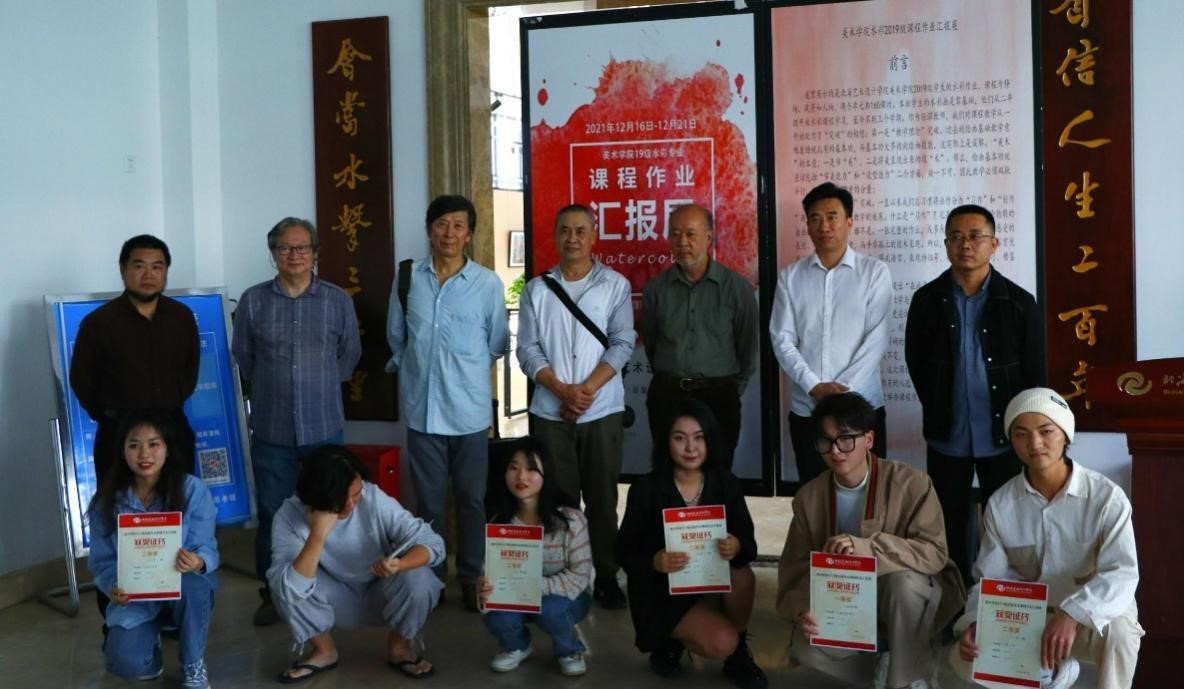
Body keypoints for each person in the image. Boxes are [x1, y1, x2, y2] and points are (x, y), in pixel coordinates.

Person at [951, 388, 1143, 689]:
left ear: (1065, 435)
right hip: (1030, 621)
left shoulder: (1106, 498)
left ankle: (1061, 669)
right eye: (1021, 434)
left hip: (1087, 619)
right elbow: (989, 579)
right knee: (966, 657)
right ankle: (1055, 672)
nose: (1035, 443)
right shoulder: (1001, 504)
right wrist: (978, 622)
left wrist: (1072, 613)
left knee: (1121, 632)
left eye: (1046, 431)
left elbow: (1122, 574)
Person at [776, 392, 964, 689]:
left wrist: (867, 548)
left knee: (903, 584)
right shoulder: (809, 498)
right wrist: (802, 609)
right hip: (846, 599)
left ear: (869, 439)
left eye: (846, 439)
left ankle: (910, 677)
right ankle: (873, 669)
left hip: (899, 592)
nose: (835, 451)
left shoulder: (912, 483)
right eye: (826, 441)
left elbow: (934, 552)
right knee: (805, 648)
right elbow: (795, 568)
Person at [905, 203, 1044, 586]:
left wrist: (1025, 430)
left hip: (1004, 436)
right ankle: (954, 603)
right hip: (948, 434)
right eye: (956, 237)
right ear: (946, 244)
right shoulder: (927, 300)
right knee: (948, 523)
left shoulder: (1019, 303)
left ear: (994, 244)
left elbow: (1034, 373)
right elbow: (916, 363)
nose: (965, 244)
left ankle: (1003, 602)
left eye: (975, 236)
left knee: (1008, 524)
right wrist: (938, 405)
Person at [232, 216, 362, 626]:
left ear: (315, 253)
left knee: (329, 509)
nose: (294, 255)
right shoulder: (253, 301)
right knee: (273, 513)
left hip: (323, 426)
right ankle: (273, 594)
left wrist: (315, 383)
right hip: (272, 428)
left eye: (302, 247)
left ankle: (327, 587)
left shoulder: (337, 300)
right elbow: (244, 357)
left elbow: (349, 356)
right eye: (285, 248)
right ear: (273, 254)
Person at [386, 194, 509, 612]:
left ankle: (472, 577)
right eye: (441, 224)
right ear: (429, 230)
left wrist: (464, 371)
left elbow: (497, 343)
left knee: (472, 500)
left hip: (469, 413)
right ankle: (434, 577)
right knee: (429, 504)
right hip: (422, 412)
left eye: (458, 225)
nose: (449, 233)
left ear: (469, 234)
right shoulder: (408, 277)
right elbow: (397, 335)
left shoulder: (487, 283)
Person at [516, 203, 634, 610]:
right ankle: (565, 577)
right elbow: (527, 350)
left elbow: (622, 343)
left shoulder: (615, 285)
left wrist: (584, 391)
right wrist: (560, 389)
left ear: (594, 236)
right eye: (565, 230)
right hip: (551, 412)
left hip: (601, 410)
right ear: (554, 235)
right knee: (558, 501)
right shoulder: (536, 289)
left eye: (581, 230)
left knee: (602, 500)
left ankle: (606, 576)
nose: (573, 238)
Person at [616, 399, 767, 689]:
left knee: (741, 575)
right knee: (721, 641)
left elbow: (749, 544)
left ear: (711, 441)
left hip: (711, 583)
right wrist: (654, 560)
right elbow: (623, 550)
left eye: (699, 438)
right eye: (680, 438)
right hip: (664, 592)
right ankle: (670, 640)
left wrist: (736, 545)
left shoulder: (725, 483)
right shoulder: (646, 488)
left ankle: (738, 656)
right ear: (666, 441)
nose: (690, 448)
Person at [268, 445, 444, 682]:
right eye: (343, 498)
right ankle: (324, 651)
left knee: (420, 578)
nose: (352, 504)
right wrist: (318, 533)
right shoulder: (289, 514)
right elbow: (288, 589)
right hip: (330, 596)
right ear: (317, 495)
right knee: (284, 583)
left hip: (380, 589)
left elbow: (432, 542)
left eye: (356, 494)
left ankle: (399, 648)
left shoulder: (373, 498)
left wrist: (400, 564)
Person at [769, 182, 891, 485]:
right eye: (815, 218)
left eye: (832, 216)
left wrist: (841, 392)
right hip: (808, 408)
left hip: (862, 408)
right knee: (815, 494)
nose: (824, 226)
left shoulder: (874, 272)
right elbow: (782, 339)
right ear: (807, 224)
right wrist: (813, 386)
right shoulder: (790, 277)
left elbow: (876, 339)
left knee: (869, 493)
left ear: (849, 221)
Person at [87, 410, 218, 689]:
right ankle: (150, 650)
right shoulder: (106, 501)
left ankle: (193, 664)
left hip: (182, 591)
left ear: (167, 448)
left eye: (154, 444)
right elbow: (101, 561)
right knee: (123, 662)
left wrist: (197, 561)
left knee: (194, 583)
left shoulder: (191, 490)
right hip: (135, 598)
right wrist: (113, 585)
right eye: (134, 445)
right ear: (123, 451)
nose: (144, 454)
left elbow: (206, 547)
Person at [70, 234, 199, 485]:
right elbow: (82, 379)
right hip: (118, 435)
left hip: (172, 429)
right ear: (123, 269)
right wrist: (110, 416)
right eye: (139, 266)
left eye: (157, 267)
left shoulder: (181, 317)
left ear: (166, 271)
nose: (148, 274)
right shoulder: (99, 323)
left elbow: (189, 370)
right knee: (119, 505)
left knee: (174, 503)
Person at [642, 203, 757, 471]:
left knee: (717, 474)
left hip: (719, 396)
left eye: (691, 234)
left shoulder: (736, 288)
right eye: (675, 234)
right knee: (667, 473)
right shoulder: (656, 289)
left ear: (708, 237)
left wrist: (730, 390)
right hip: (668, 395)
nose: (682, 242)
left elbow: (748, 347)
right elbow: (652, 343)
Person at [479, 436, 593, 676]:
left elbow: (580, 577)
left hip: (567, 597)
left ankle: (569, 650)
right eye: (513, 468)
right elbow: (489, 570)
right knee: (495, 614)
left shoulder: (571, 520)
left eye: (531, 469)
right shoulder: (500, 522)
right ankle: (516, 645)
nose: (521, 477)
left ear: (546, 473)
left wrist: (535, 586)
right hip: (519, 596)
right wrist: (486, 587)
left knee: (550, 609)